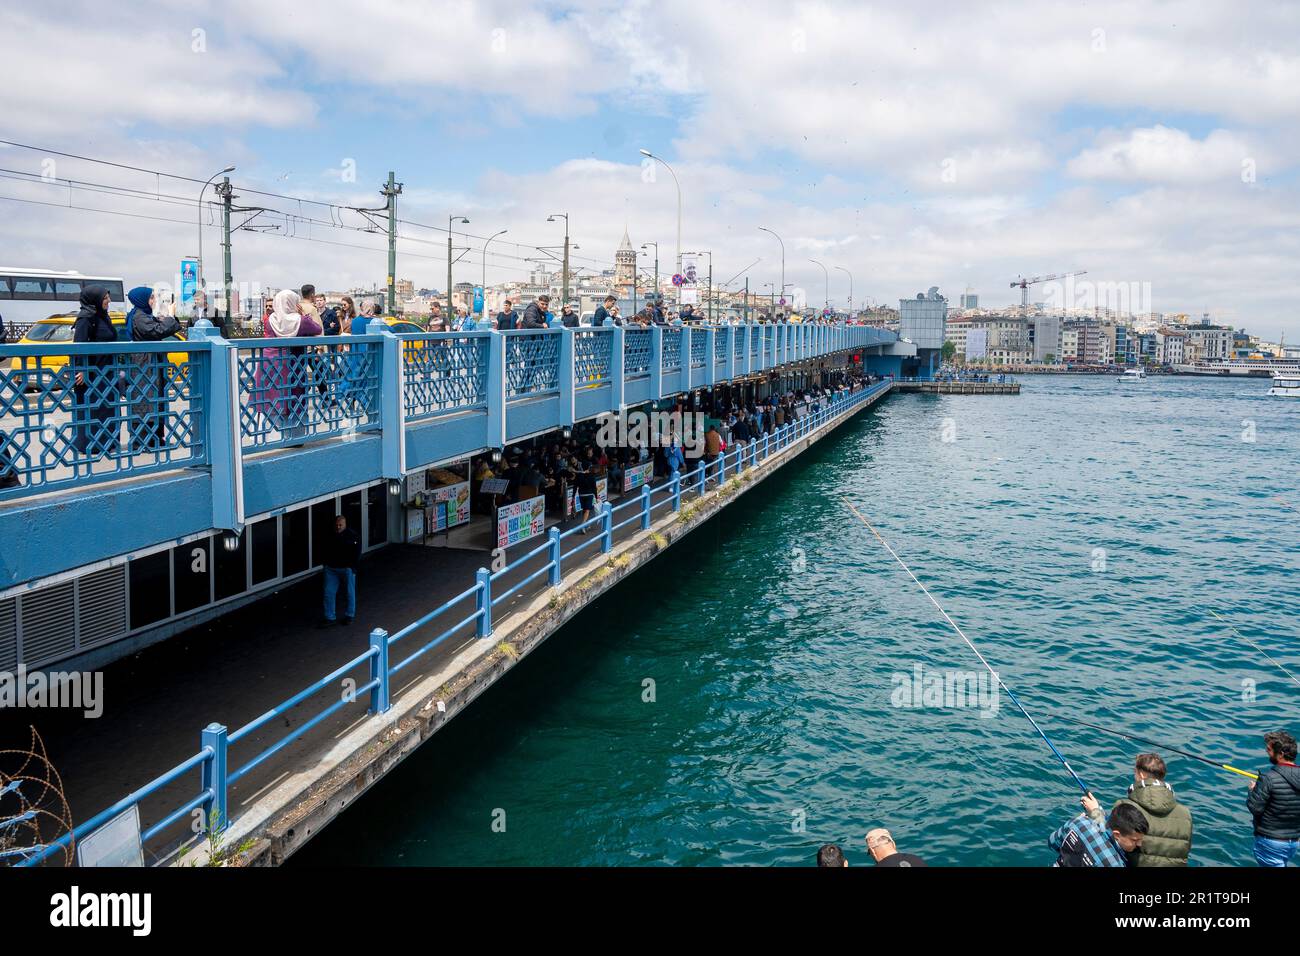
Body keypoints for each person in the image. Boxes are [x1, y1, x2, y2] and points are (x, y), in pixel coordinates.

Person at [1082, 753, 1192, 866]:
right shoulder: (1186, 814)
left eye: (1135, 772)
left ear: (1141, 775)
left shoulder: (1125, 806)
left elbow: (1109, 837)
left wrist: (1095, 811)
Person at [254, 289, 322, 443]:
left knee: (270, 397)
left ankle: (269, 437)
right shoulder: (301, 321)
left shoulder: (269, 320)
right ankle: (294, 437)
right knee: (294, 398)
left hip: (268, 364)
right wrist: (303, 315)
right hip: (292, 364)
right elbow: (317, 330)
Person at [125, 286, 182, 453]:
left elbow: (160, 326)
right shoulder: (139, 317)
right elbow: (158, 331)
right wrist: (170, 316)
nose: (154, 301)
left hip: (150, 364)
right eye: (150, 298)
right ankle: (144, 440)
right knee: (145, 401)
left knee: (153, 399)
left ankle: (155, 438)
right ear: (141, 300)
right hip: (144, 365)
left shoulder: (143, 315)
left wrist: (169, 318)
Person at [71, 284, 120, 461]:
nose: (109, 301)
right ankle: (90, 445)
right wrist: (81, 369)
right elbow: (80, 345)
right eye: (105, 298)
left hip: (106, 371)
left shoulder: (103, 317)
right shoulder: (86, 318)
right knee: (93, 409)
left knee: (106, 408)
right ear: (95, 300)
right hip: (92, 373)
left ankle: (107, 443)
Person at [1247, 729, 1300, 867]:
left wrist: (1253, 791)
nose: (1266, 751)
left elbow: (1255, 808)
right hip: (1293, 842)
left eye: (1269, 749)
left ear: (1281, 754)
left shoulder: (1268, 778)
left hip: (1270, 841)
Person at [1049, 796, 1147, 867]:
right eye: (1135, 840)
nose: (1139, 844)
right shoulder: (1115, 863)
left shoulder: (1078, 822)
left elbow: (1052, 842)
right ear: (1117, 834)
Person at [320, 514, 361, 626]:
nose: (338, 527)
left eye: (340, 525)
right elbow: (324, 548)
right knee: (329, 593)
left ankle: (349, 615)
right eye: (337, 525)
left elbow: (357, 552)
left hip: (346, 569)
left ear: (345, 524)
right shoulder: (330, 535)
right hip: (331, 569)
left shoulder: (352, 536)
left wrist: (352, 567)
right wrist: (325, 564)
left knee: (349, 592)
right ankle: (330, 617)